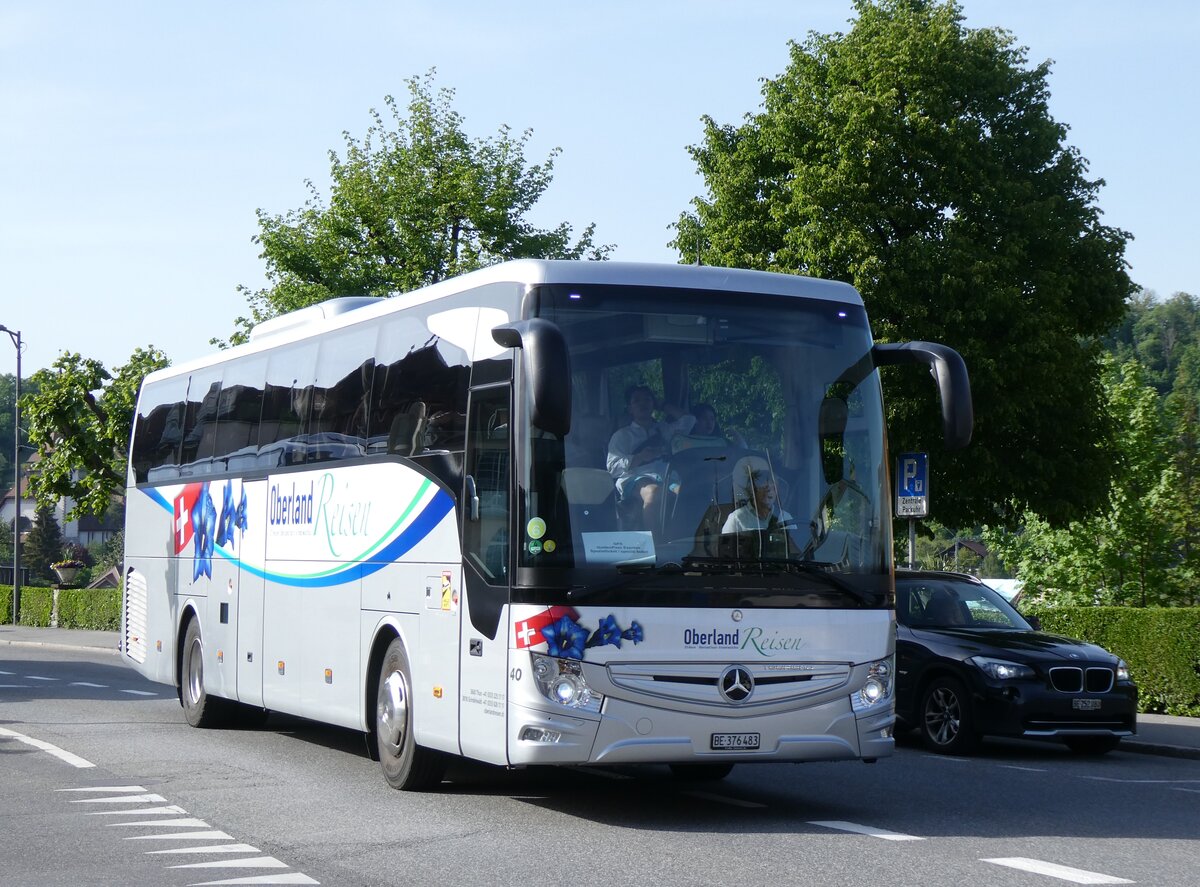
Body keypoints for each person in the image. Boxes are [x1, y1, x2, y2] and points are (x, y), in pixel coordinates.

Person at [606, 385, 696, 525]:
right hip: (635, 478)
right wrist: (639, 457)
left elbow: (689, 420)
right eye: (637, 401)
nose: (642, 403)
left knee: (685, 495)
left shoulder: (664, 429)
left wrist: (663, 405)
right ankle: (655, 539)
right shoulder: (622, 435)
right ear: (630, 409)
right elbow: (612, 468)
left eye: (647, 400)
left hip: (667, 477)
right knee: (653, 493)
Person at [722, 469, 795, 534]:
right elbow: (726, 544)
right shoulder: (736, 518)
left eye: (773, 487)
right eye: (764, 487)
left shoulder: (785, 518)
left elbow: (792, 543)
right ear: (753, 490)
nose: (769, 491)